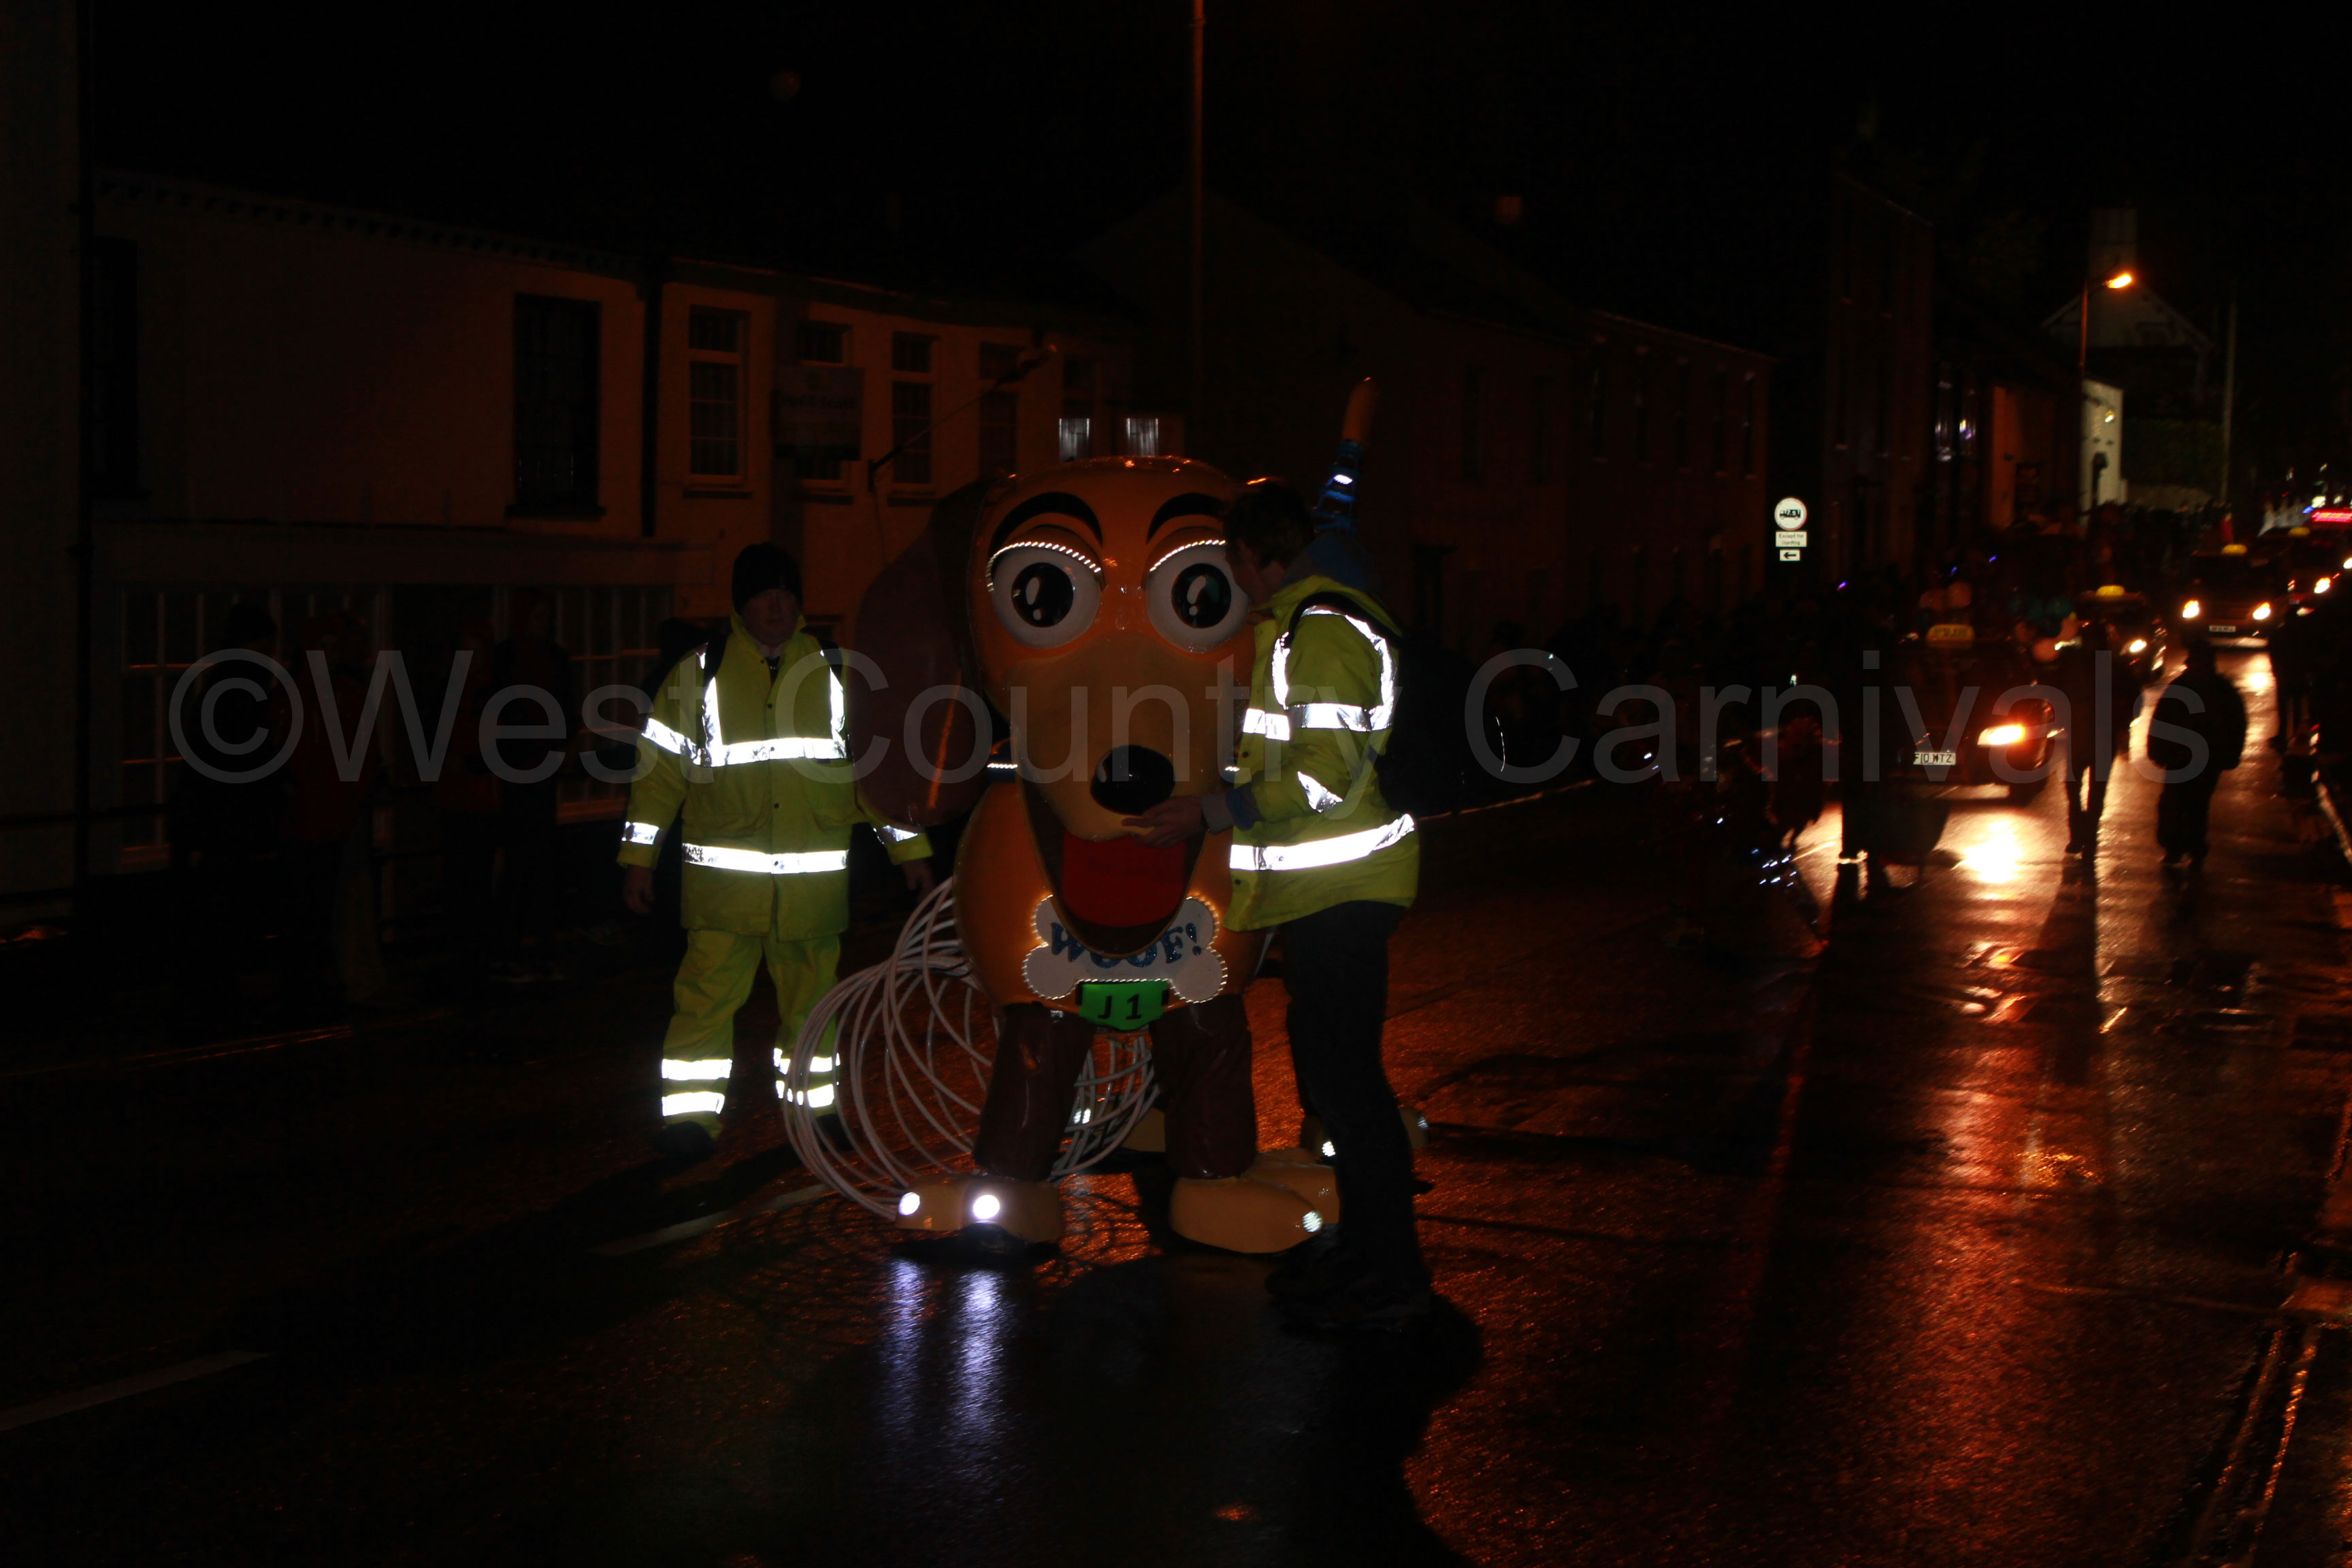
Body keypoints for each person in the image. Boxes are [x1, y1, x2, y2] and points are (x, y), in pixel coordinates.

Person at [1125, 480, 1426, 1330]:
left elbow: (1323, 780)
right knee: (1335, 1079)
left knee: (1349, 1087)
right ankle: (1367, 1255)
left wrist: (1213, 810)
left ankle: (1395, 1274)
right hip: (1328, 891)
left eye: (1234, 565)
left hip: (1344, 889)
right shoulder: (1308, 625)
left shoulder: (1321, 632)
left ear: (1255, 558)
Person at [619, 544, 934, 1164]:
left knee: (814, 1012)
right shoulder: (698, 674)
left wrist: (910, 851)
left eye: (787, 595)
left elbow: (875, 777)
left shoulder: (837, 674)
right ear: (741, 604)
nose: (777, 606)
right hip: (724, 895)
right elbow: (657, 775)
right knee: (704, 1006)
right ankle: (689, 1123)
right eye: (765, 595)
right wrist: (638, 858)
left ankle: (815, 1114)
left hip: (808, 896)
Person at [485, 591, 578, 982]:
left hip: (531, 768)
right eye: (540, 616)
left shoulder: (537, 658)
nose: (546, 623)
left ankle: (528, 947)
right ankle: (521, 947)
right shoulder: (516, 658)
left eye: (547, 616)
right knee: (526, 861)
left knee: (533, 862)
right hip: (523, 769)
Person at [2148, 638, 2247, 870]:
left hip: (2190, 758)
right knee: (2194, 804)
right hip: (2197, 758)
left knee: (2183, 803)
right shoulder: (2221, 690)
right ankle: (2190, 848)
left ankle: (2180, 848)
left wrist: (2158, 750)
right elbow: (2237, 724)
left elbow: (2161, 721)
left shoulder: (2184, 687)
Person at [2055, 619, 2140, 858]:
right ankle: (2089, 836)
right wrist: (2122, 724)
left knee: (2074, 788)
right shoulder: (2117, 665)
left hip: (2078, 734)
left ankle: (2078, 835)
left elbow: (2057, 693)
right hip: (2103, 735)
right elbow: (2135, 700)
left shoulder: (2072, 663)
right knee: (2097, 790)